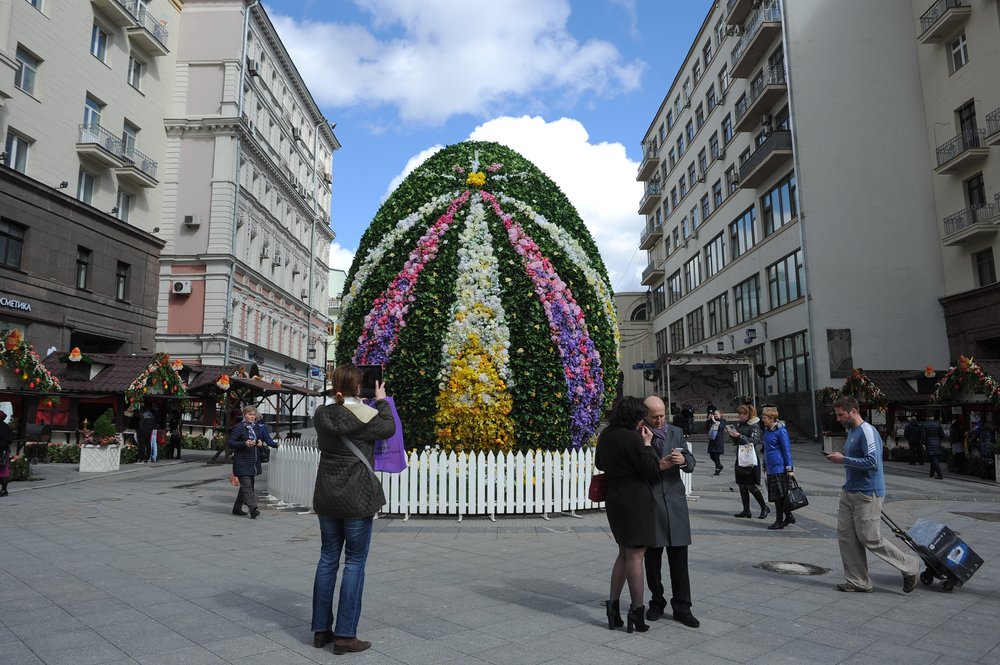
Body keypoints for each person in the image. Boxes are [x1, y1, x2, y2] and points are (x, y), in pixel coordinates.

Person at [311, 364, 395, 654]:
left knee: (327, 560)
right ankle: (346, 635)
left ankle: (321, 631)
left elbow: (340, 410)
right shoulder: (367, 416)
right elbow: (389, 427)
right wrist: (382, 400)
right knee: (355, 562)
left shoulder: (321, 415)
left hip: (326, 495)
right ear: (359, 388)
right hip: (356, 497)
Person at [825, 395, 921, 593]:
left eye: (841, 415)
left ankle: (909, 565)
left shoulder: (867, 431)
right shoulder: (851, 431)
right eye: (837, 415)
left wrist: (844, 460)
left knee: (870, 538)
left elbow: (873, 462)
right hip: (850, 491)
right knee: (847, 537)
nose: (839, 419)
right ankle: (858, 581)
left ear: (854, 411)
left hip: (867, 493)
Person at [596, 396, 661, 634]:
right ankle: (637, 610)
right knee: (636, 555)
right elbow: (651, 470)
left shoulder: (606, 434)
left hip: (615, 498)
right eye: (640, 416)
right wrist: (646, 444)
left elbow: (599, 463)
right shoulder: (633, 437)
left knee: (623, 552)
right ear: (633, 416)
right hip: (636, 499)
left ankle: (613, 608)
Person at [642, 395, 699, 628]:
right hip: (650, 502)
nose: (659, 420)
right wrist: (658, 465)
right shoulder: (638, 434)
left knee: (679, 560)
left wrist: (684, 459)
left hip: (675, 502)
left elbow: (692, 461)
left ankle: (682, 607)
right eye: (654, 417)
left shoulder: (675, 431)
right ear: (645, 415)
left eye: (662, 415)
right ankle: (656, 601)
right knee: (652, 560)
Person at [228, 405, 279, 519]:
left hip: (253, 462)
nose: (252, 417)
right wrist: (244, 443)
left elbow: (259, 438)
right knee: (248, 487)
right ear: (244, 415)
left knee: (247, 486)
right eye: (249, 414)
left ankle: (237, 508)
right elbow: (231, 443)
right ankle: (253, 509)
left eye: (253, 414)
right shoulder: (239, 427)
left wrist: (260, 442)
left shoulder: (256, 427)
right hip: (242, 461)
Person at [728, 404, 768, 520]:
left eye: (741, 414)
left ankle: (764, 507)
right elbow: (738, 442)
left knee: (750, 485)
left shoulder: (753, 425)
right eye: (738, 414)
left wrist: (740, 435)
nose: (739, 416)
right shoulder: (742, 425)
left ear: (747, 415)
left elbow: (754, 441)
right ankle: (746, 510)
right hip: (741, 457)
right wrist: (733, 436)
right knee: (741, 485)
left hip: (750, 459)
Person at [760, 406, 795, 530]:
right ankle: (788, 517)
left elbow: (787, 451)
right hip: (771, 466)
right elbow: (766, 449)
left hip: (780, 468)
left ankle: (780, 520)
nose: (763, 420)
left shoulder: (781, 431)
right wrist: (764, 463)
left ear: (772, 418)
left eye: (764, 418)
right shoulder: (767, 430)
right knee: (777, 496)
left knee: (780, 497)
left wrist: (789, 468)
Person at [921, 414, 945, 480]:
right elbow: (942, 435)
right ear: (933, 417)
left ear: (927, 417)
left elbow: (923, 436)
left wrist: (923, 444)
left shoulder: (924, 424)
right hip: (937, 443)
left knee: (934, 459)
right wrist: (938, 440)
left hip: (929, 443)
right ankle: (932, 473)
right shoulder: (938, 424)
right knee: (934, 458)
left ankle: (940, 474)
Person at [706, 409, 726, 475]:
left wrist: (714, 421)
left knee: (716, 455)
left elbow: (720, 427)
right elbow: (706, 427)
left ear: (720, 414)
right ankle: (719, 466)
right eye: (714, 414)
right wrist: (708, 420)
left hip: (718, 441)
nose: (715, 415)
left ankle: (717, 470)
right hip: (712, 440)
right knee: (712, 455)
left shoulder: (723, 421)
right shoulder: (712, 421)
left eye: (716, 414)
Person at [0, 411, 13, 497]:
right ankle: (4, 490)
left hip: (2, 450)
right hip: (4, 450)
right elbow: (10, 439)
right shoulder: (7, 427)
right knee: (4, 471)